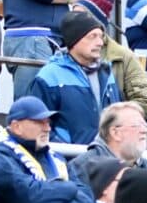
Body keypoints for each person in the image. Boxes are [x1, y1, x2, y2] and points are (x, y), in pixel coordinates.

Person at [18, 9, 117, 144]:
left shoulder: (106, 73)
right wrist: (63, 151)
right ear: (74, 40)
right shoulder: (49, 76)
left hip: (106, 159)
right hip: (68, 158)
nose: (100, 42)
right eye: (92, 36)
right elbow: (36, 123)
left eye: (101, 36)